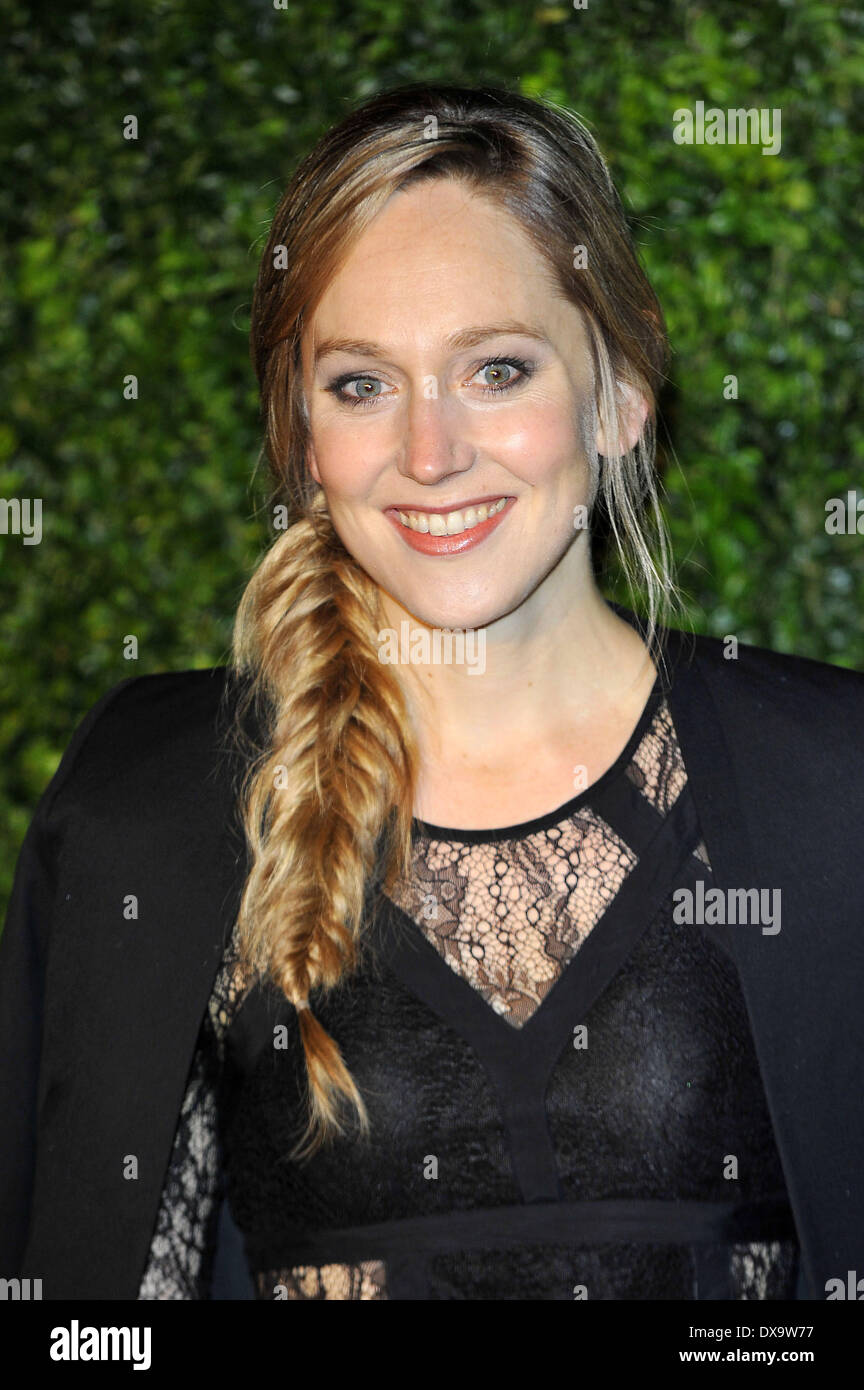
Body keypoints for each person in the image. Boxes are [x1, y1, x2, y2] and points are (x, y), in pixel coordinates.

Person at [2, 82, 863, 1302]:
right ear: (303, 435)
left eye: (496, 370)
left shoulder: (835, 786)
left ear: (621, 392)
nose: (429, 453)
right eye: (363, 384)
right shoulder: (152, 803)